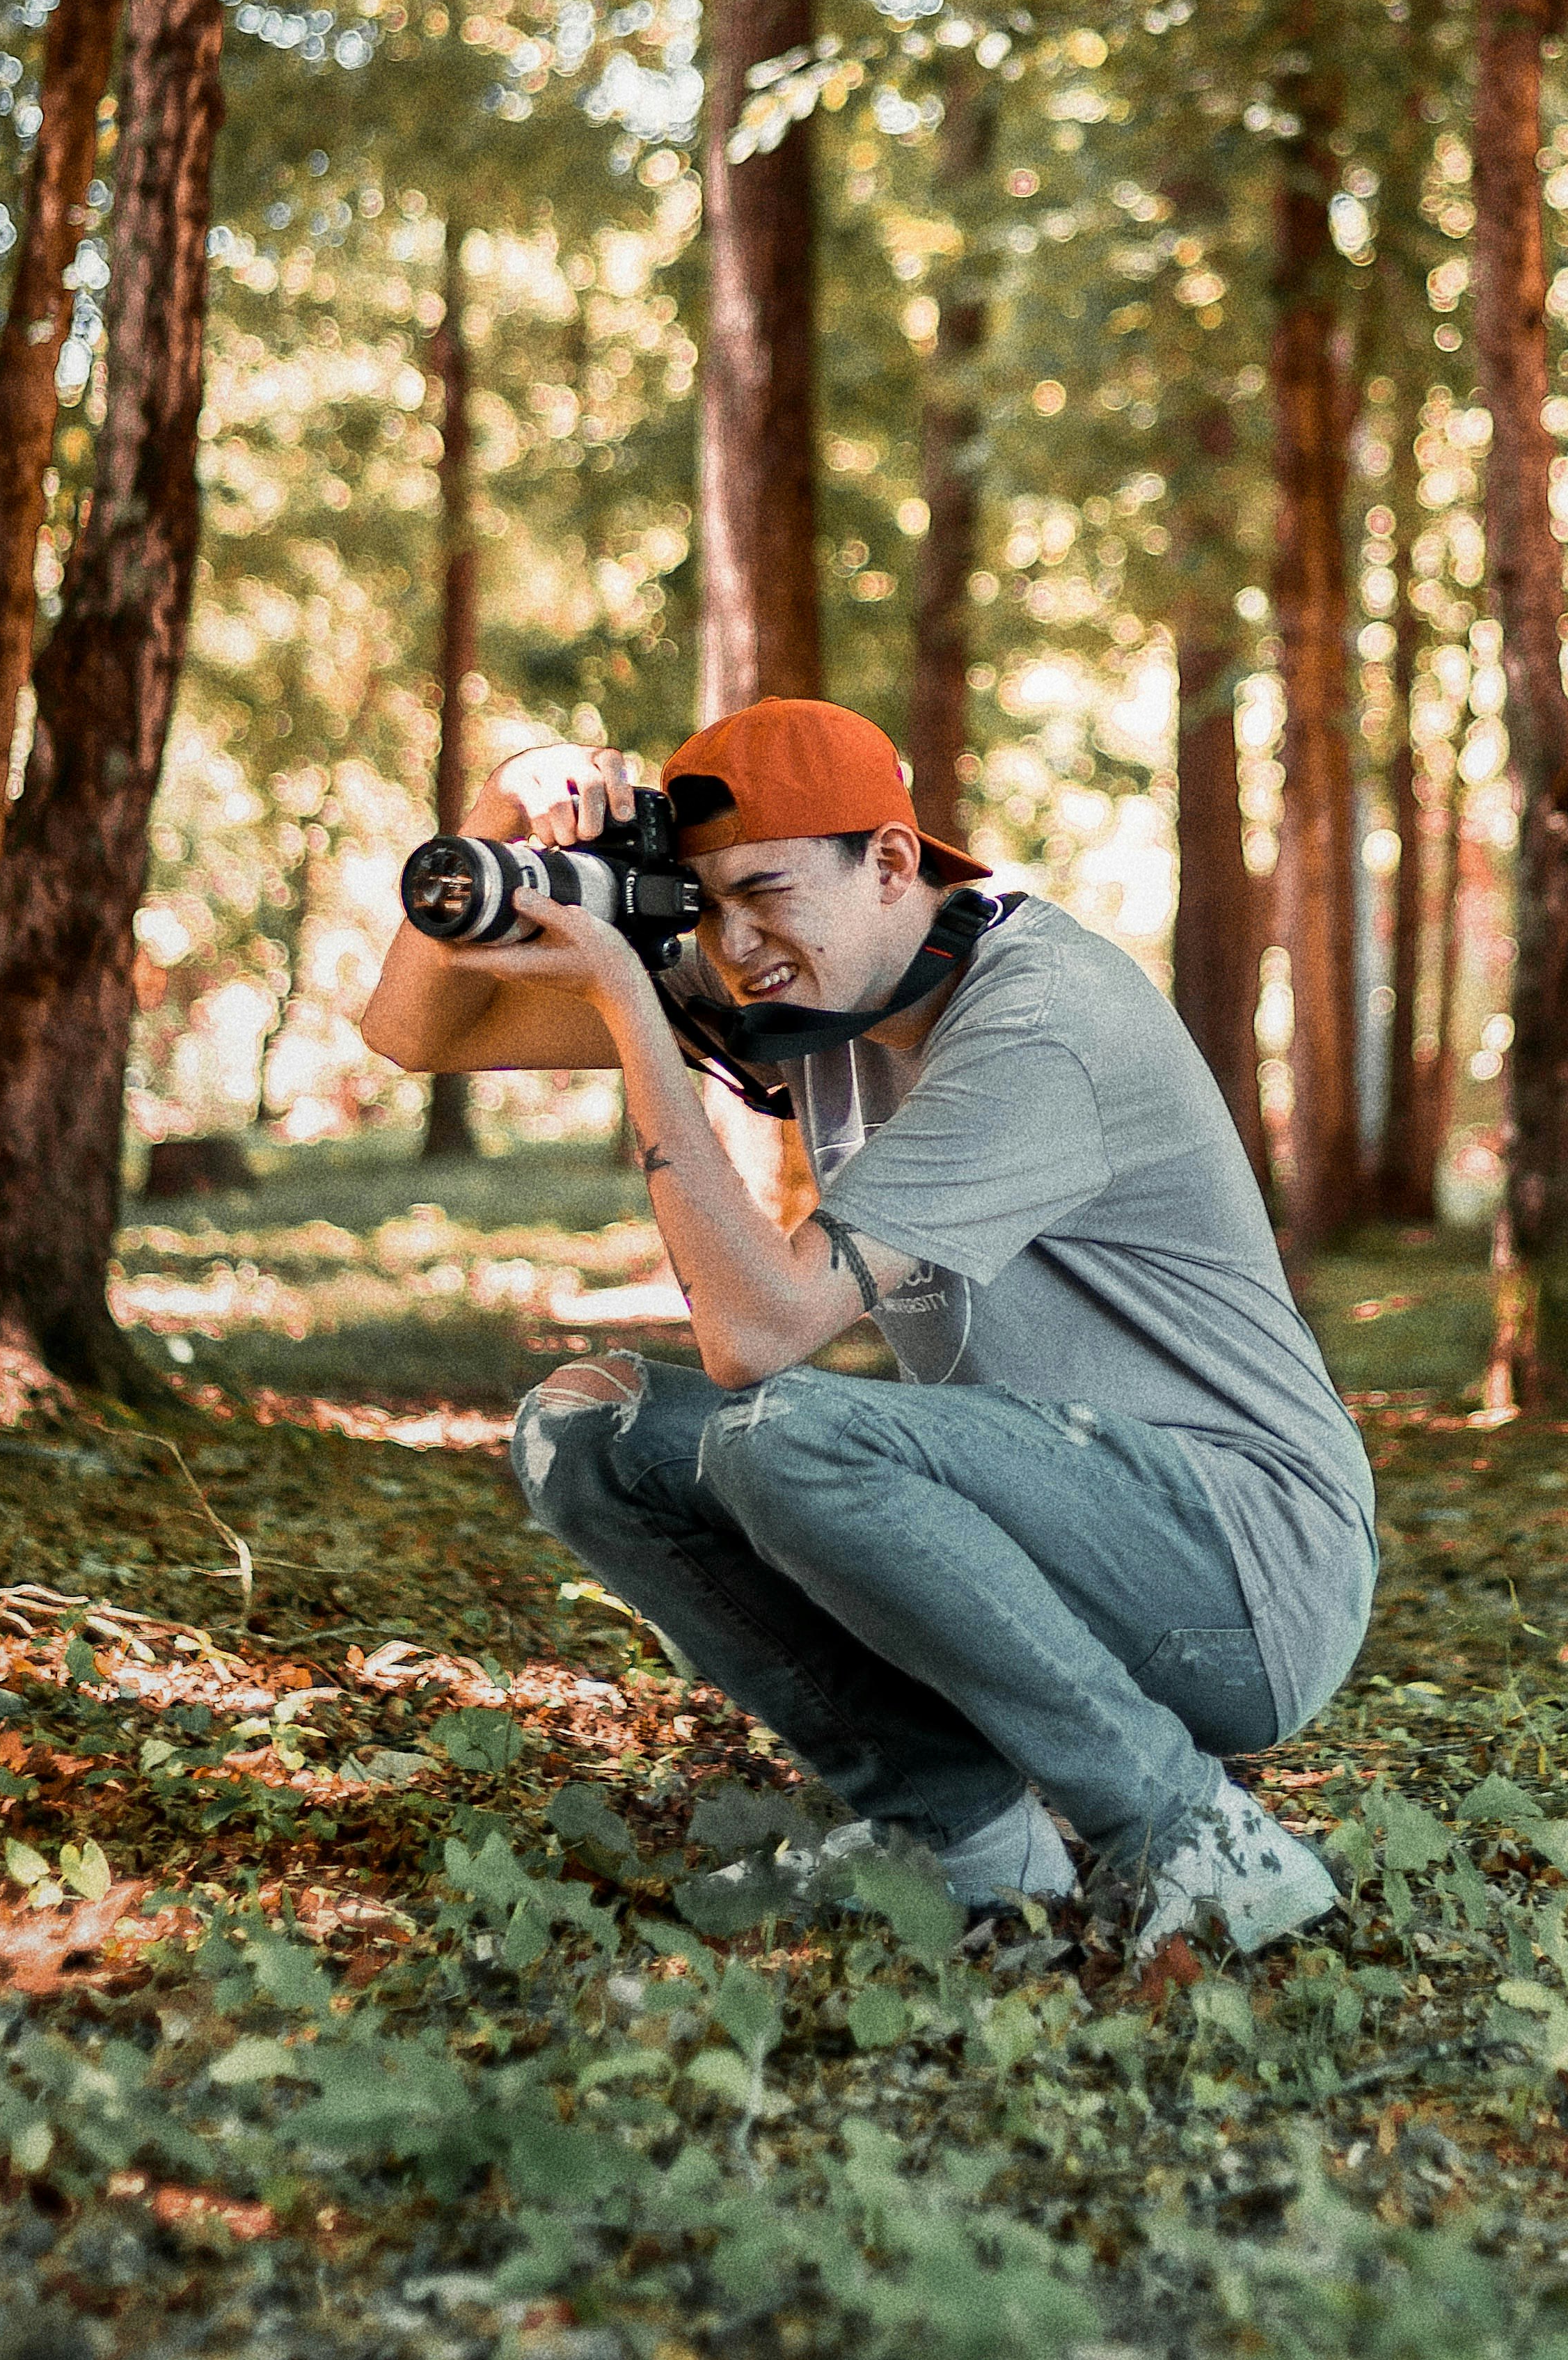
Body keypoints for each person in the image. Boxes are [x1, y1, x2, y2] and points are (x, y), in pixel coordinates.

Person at [358, 695, 1376, 1960]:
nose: (737, 945)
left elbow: (758, 1336)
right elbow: (408, 1031)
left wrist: (630, 1008)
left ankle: (1192, 1833)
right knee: (590, 1427)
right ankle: (966, 1842)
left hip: (1249, 1572)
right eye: (706, 906)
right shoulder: (818, 981)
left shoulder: (1038, 1019)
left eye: (768, 892)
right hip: (1063, 1519)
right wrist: (506, 804)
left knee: (782, 1432)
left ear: (892, 863)